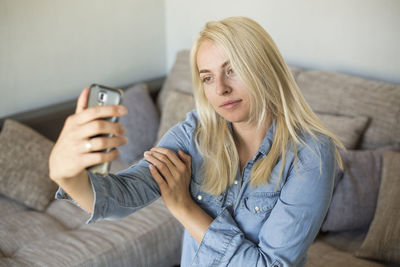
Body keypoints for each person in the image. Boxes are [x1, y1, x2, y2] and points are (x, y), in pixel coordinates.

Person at [49, 16, 345, 266]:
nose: (221, 89)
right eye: (207, 77)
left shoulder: (311, 153)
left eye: (232, 70)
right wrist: (68, 176)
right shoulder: (192, 134)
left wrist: (183, 207)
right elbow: (123, 194)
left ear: (264, 68)